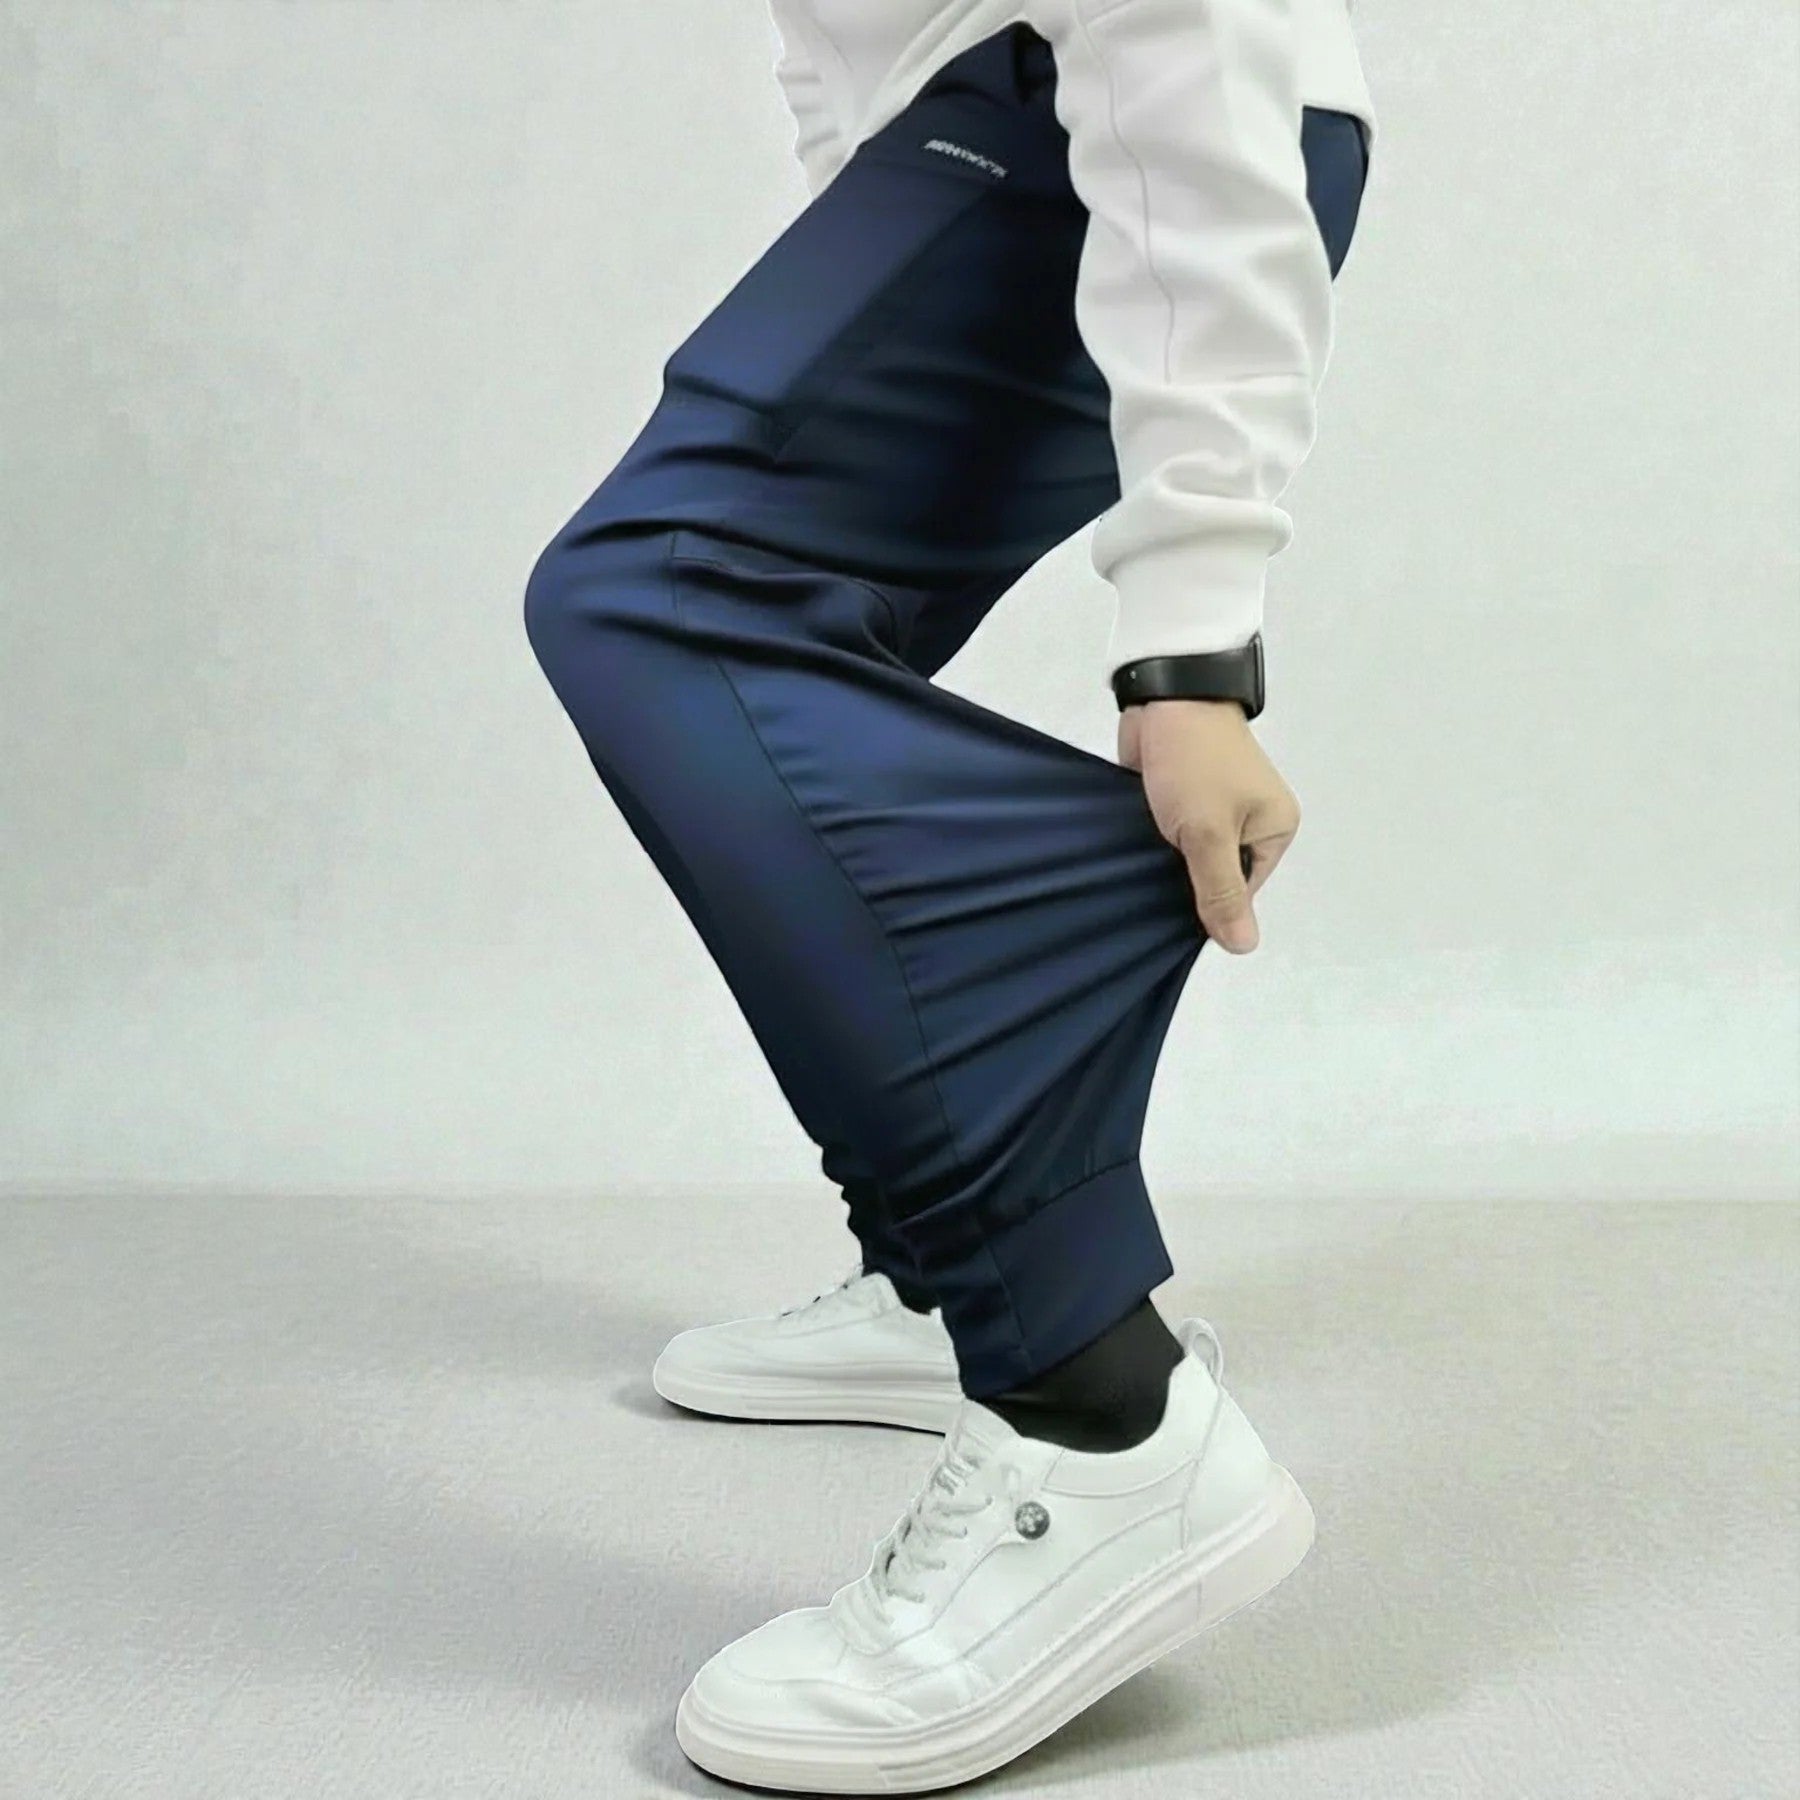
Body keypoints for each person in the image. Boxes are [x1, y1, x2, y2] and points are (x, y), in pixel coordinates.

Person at [523, 0, 1374, 1788]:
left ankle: (1096, 1412)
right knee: (720, 628)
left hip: (1139, 115)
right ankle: (936, 1268)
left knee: (662, 598)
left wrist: (1191, 650)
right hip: (995, 129)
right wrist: (859, 235)